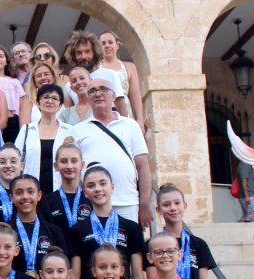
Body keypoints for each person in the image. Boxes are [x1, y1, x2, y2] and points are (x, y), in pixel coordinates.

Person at [73, 78, 152, 226]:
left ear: (114, 96)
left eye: (103, 89)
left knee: (130, 249)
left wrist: (145, 204)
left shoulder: (131, 125)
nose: (98, 94)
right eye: (92, 91)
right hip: (92, 204)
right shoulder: (77, 130)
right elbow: (75, 171)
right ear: (88, 98)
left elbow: (143, 167)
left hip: (127, 202)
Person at [69, 164, 145, 279]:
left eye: (103, 183)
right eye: (91, 185)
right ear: (85, 192)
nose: (98, 189)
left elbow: (138, 274)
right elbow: (75, 275)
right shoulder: (77, 230)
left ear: (112, 187)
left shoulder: (132, 228)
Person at [16, 84, 73, 194]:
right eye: (46, 97)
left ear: (60, 105)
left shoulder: (69, 131)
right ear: (38, 103)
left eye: (55, 98)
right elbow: (17, 159)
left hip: (61, 190)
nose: (50, 101)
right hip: (30, 191)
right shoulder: (27, 130)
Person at [7, 174, 69, 274]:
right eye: (19, 193)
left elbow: (64, 269)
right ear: (12, 198)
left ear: (39, 195)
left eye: (30, 192)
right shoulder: (5, 232)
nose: (25, 197)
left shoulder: (54, 231)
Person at [63, 31, 126, 116]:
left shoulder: (111, 75)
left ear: (95, 52)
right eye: (79, 53)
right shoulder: (70, 86)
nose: (83, 56)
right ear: (74, 56)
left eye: (87, 51)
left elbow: (121, 108)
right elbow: (69, 116)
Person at [40, 139, 91, 235]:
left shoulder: (90, 198)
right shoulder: (47, 201)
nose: (69, 166)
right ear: (56, 166)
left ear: (82, 165)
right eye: (64, 161)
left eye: (74, 161)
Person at [99, 31, 145, 132]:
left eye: (110, 42)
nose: (107, 46)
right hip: (105, 107)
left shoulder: (129, 66)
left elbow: (135, 95)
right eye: (103, 43)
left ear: (117, 45)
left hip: (125, 108)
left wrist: (140, 120)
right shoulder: (97, 67)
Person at [0, 45, 26, 143]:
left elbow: (22, 104)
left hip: (12, 121)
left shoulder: (14, 81)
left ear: (6, 61)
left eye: (1, 56)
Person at [18, 61, 61, 126]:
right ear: (34, 81)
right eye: (38, 76)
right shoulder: (28, 100)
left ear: (54, 77)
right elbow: (24, 128)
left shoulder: (63, 97)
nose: (43, 78)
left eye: (46, 74)